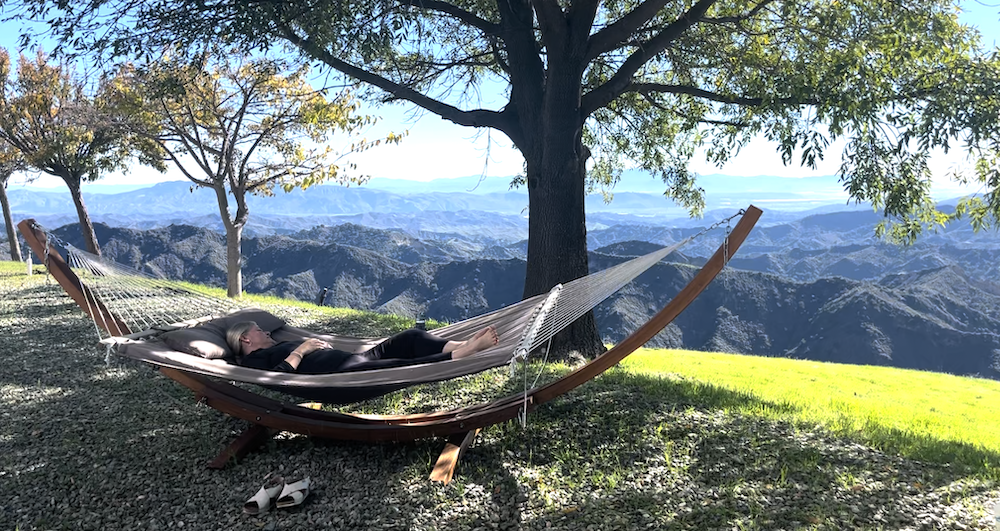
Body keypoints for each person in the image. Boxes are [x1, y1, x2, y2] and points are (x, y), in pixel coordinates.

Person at [226, 321, 499, 374]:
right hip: (344, 372)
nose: (265, 332)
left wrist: (318, 345)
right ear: (245, 340)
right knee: (398, 367)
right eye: (259, 330)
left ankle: (463, 343)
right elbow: (279, 374)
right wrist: (302, 349)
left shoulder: (277, 343)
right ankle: (461, 354)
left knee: (410, 337)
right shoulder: (253, 361)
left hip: (352, 358)